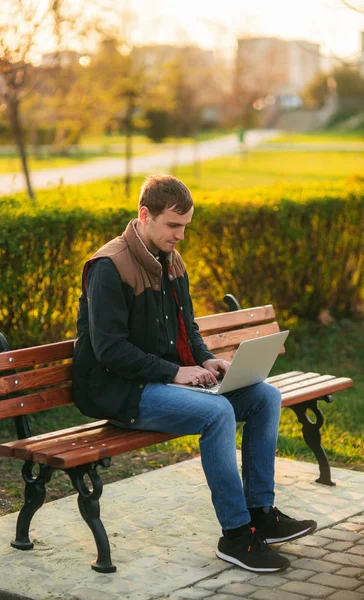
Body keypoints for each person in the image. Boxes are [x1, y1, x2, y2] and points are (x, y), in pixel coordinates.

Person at [72, 174, 317, 573]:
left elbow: (188, 326)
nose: (180, 235)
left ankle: (261, 514)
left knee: (264, 397)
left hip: (161, 380)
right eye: (173, 225)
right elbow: (109, 350)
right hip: (118, 389)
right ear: (144, 215)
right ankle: (236, 536)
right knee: (216, 413)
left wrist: (204, 360)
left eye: (185, 226)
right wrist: (174, 372)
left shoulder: (171, 259)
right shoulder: (108, 266)